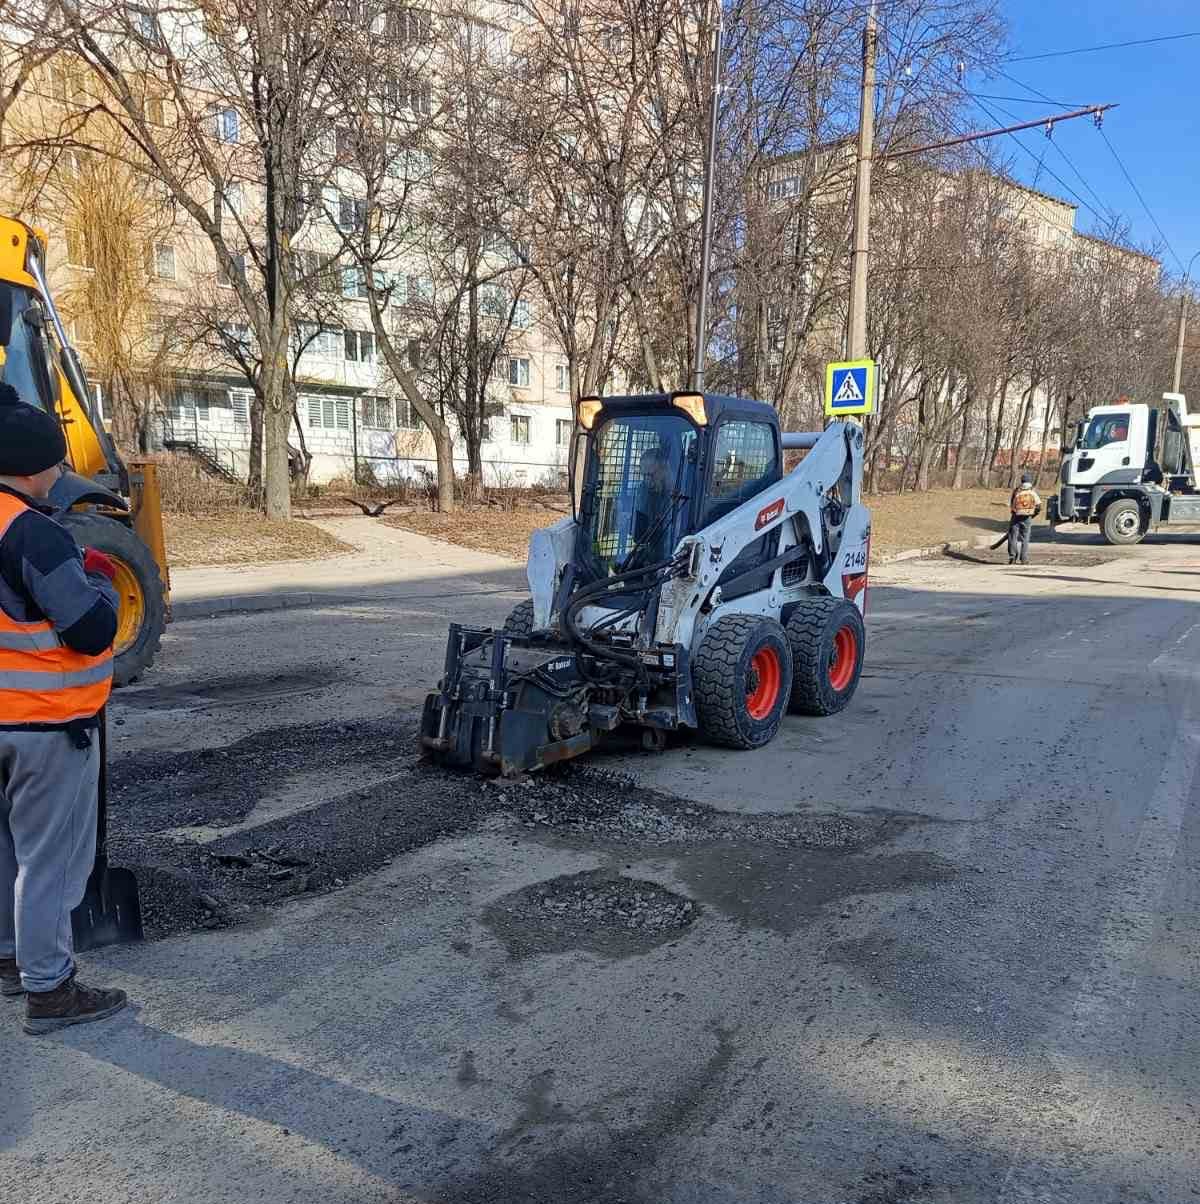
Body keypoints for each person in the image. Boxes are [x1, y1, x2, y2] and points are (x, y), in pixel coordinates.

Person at [0, 383, 128, 1035]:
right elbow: (88, 629)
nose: (59, 476)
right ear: (28, 466)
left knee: (6, 852)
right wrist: (100, 576)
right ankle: (49, 992)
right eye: (53, 464)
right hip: (45, 727)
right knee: (49, 859)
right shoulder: (33, 534)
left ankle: (10, 959)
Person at [1008, 472, 1042, 566]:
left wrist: (1014, 512)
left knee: (1013, 537)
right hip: (1027, 517)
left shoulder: (1016, 491)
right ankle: (1024, 559)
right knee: (1025, 538)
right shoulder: (1032, 492)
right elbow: (1039, 506)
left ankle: (1012, 558)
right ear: (1030, 481)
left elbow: (1011, 505)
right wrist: (1033, 514)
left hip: (1016, 516)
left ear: (1021, 481)